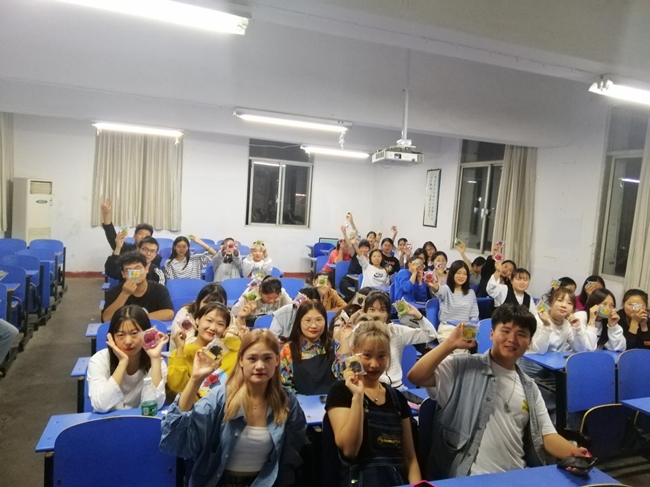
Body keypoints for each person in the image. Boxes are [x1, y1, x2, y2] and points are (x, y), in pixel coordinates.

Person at [408, 303, 593, 479]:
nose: (512, 339)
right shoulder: (463, 367)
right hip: (467, 477)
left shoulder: (529, 387)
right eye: (505, 331)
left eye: (521, 334)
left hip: (514, 476)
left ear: (529, 342)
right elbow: (416, 377)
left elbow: (545, 434)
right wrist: (449, 344)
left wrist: (574, 452)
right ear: (491, 334)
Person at [160, 329, 307, 487]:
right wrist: (196, 379)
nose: (260, 366)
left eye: (267, 358)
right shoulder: (220, 397)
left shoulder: (287, 401)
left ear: (277, 360)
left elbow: (290, 455)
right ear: (241, 360)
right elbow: (174, 436)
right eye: (252, 358)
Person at [326, 319, 421, 486]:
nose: (374, 364)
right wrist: (358, 396)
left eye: (382, 356)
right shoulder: (341, 392)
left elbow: (409, 458)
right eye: (367, 355)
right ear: (354, 352)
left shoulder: (397, 398)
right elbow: (350, 450)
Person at [87, 305, 168, 413]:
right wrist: (123, 362)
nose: (128, 341)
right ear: (111, 337)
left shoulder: (157, 362)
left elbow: (155, 405)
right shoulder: (98, 360)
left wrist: (155, 359)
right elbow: (101, 405)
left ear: (146, 333)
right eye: (121, 335)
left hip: (141, 420)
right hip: (108, 421)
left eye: (134, 333)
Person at [358, 290, 437, 388]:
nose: (377, 314)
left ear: (388, 314)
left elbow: (431, 335)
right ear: (365, 312)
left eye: (382, 310)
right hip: (368, 386)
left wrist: (417, 315)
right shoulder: (359, 332)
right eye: (372, 309)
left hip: (396, 388)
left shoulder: (396, 332)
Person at [168, 302, 241, 398]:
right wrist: (180, 349)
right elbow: (176, 388)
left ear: (225, 329)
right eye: (209, 320)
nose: (213, 328)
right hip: (195, 405)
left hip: (228, 403)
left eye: (220, 324)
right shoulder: (181, 352)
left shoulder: (233, 346)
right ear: (197, 321)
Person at [280, 301, 347, 394]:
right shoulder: (288, 350)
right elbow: (284, 387)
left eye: (319, 320)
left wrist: (345, 342)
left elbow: (345, 378)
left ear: (325, 321)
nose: (314, 326)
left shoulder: (335, 346)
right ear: (299, 322)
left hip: (333, 399)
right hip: (300, 401)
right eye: (308, 321)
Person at [102, 252, 174, 322]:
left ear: (146, 269)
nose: (134, 274)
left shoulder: (159, 289)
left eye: (138, 268)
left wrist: (138, 319)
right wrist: (124, 294)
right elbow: (106, 318)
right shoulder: (114, 291)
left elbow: (169, 313)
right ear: (123, 274)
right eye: (128, 270)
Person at [429, 260, 479, 344]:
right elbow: (439, 290)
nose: (461, 276)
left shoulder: (471, 293)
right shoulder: (446, 289)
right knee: (457, 347)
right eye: (458, 273)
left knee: (472, 347)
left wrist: (470, 334)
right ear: (452, 274)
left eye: (464, 274)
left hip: (466, 329)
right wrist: (434, 286)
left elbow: (474, 316)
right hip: (447, 329)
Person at [100, 199, 161, 267]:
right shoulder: (125, 248)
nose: (144, 236)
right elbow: (110, 233)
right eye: (141, 233)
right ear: (134, 236)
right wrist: (106, 214)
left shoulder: (155, 257)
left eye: (147, 235)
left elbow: (154, 271)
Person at [170, 283, 229, 351]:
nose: (212, 308)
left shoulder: (227, 315)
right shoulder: (185, 314)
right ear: (198, 302)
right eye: (207, 303)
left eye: (218, 304)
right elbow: (186, 345)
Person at [529, 288, 589, 354]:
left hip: (554, 360)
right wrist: (546, 325)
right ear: (551, 303)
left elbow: (580, 350)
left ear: (573, 309)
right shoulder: (538, 320)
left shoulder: (567, 324)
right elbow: (539, 351)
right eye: (560, 300)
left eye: (569, 303)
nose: (564, 305)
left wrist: (577, 329)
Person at [339, 236, 371, 302]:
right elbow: (350, 246)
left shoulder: (371, 259)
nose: (364, 250)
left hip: (361, 281)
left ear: (369, 249)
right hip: (349, 280)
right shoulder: (355, 255)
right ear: (359, 248)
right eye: (362, 248)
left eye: (366, 248)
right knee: (353, 293)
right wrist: (344, 234)